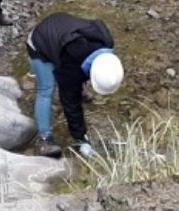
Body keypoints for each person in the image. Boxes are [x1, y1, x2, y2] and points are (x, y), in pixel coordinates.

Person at [26, 12, 124, 158]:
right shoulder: (69, 65)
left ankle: (80, 87)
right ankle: (43, 139)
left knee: (76, 76)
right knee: (46, 89)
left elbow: (90, 60)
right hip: (40, 41)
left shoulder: (106, 44)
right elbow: (70, 104)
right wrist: (81, 138)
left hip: (64, 29)